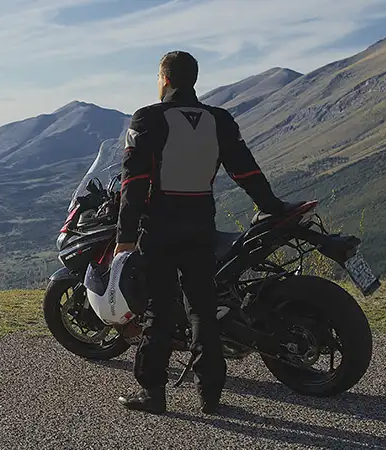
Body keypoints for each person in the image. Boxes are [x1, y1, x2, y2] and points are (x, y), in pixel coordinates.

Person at [113, 50, 288, 415]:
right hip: (200, 225)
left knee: (159, 311)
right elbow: (246, 172)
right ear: (193, 79)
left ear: (165, 79)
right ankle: (210, 396)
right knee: (202, 311)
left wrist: (124, 238)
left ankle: (154, 395)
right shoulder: (218, 119)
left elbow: (134, 183)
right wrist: (273, 207)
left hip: (159, 228)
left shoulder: (148, 118)